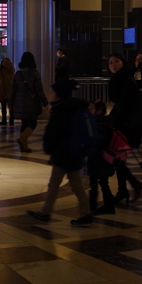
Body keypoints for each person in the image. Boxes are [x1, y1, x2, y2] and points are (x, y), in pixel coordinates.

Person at [27, 79, 94, 227]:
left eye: (52, 92)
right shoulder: (77, 107)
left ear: (59, 95)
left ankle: (45, 213)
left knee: (54, 184)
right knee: (76, 185)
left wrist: (48, 148)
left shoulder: (60, 110)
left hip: (63, 154)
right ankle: (86, 213)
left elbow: (53, 133)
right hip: (75, 152)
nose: (50, 94)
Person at [106, 53, 142, 204]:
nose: (113, 64)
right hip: (122, 124)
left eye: (117, 61)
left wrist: (114, 119)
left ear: (123, 63)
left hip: (126, 125)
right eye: (110, 63)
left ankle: (126, 188)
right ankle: (127, 187)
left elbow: (125, 105)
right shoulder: (118, 80)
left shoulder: (125, 80)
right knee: (118, 158)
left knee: (117, 158)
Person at [11, 52, 48, 152]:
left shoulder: (18, 74)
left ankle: (24, 146)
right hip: (31, 103)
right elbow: (39, 90)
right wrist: (45, 103)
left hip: (20, 103)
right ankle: (23, 139)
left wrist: (10, 102)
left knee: (24, 123)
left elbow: (13, 89)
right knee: (32, 123)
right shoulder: (34, 74)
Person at [88, 100, 117, 215]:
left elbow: (98, 141)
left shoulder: (98, 125)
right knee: (102, 182)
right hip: (103, 159)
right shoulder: (105, 123)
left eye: (91, 109)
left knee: (96, 182)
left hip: (98, 159)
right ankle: (107, 205)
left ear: (99, 111)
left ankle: (93, 206)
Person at [0, 57, 15, 126]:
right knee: (3, 107)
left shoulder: (10, 70)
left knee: (10, 107)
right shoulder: (0, 71)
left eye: (5, 62)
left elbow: (10, 66)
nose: (4, 63)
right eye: (3, 62)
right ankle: (4, 120)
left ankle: (11, 120)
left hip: (9, 90)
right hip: (2, 91)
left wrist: (5, 60)